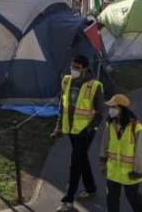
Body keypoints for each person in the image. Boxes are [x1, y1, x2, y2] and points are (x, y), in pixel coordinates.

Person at [52, 55, 105, 211]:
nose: (73, 70)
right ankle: (91, 188)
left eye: (77, 67)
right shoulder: (66, 80)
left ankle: (68, 200)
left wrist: (88, 129)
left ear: (85, 69)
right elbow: (63, 106)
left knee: (75, 163)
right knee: (82, 158)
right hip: (71, 129)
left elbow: (100, 113)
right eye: (72, 66)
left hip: (85, 132)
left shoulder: (95, 86)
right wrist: (58, 127)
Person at [99, 94, 142, 212]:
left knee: (133, 197)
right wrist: (103, 163)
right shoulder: (110, 125)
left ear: (122, 109)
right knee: (111, 198)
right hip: (113, 171)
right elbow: (104, 145)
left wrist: (138, 172)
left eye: (113, 107)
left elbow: (141, 152)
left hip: (130, 173)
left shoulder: (137, 128)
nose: (111, 110)